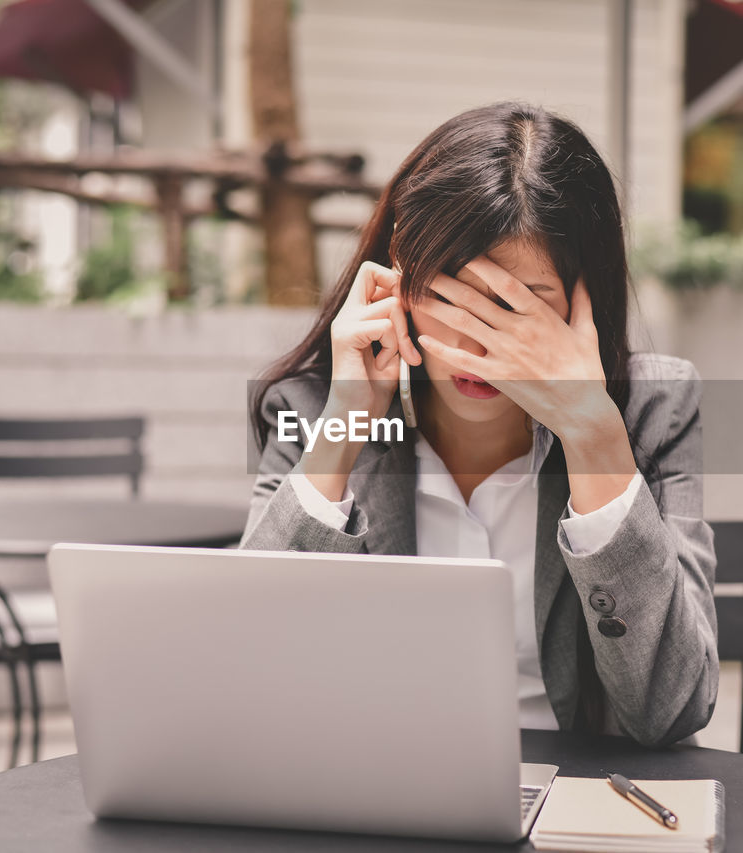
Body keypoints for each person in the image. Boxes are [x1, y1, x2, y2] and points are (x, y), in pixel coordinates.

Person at [243, 102, 717, 748]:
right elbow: (246, 668)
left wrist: (594, 438)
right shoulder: (315, 408)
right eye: (448, 295)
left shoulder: (648, 410)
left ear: (586, 301)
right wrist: (346, 426)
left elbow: (672, 707)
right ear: (394, 282)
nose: (475, 340)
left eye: (518, 305)